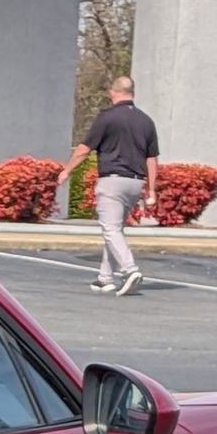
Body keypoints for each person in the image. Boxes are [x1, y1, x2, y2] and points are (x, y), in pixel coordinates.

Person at [65, 77, 160, 296]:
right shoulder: (146, 121)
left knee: (110, 229)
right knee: (115, 228)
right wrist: (151, 190)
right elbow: (152, 158)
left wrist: (66, 171)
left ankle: (130, 270)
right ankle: (104, 278)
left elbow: (84, 149)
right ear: (132, 93)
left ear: (113, 92)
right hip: (136, 183)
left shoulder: (107, 118)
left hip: (112, 180)